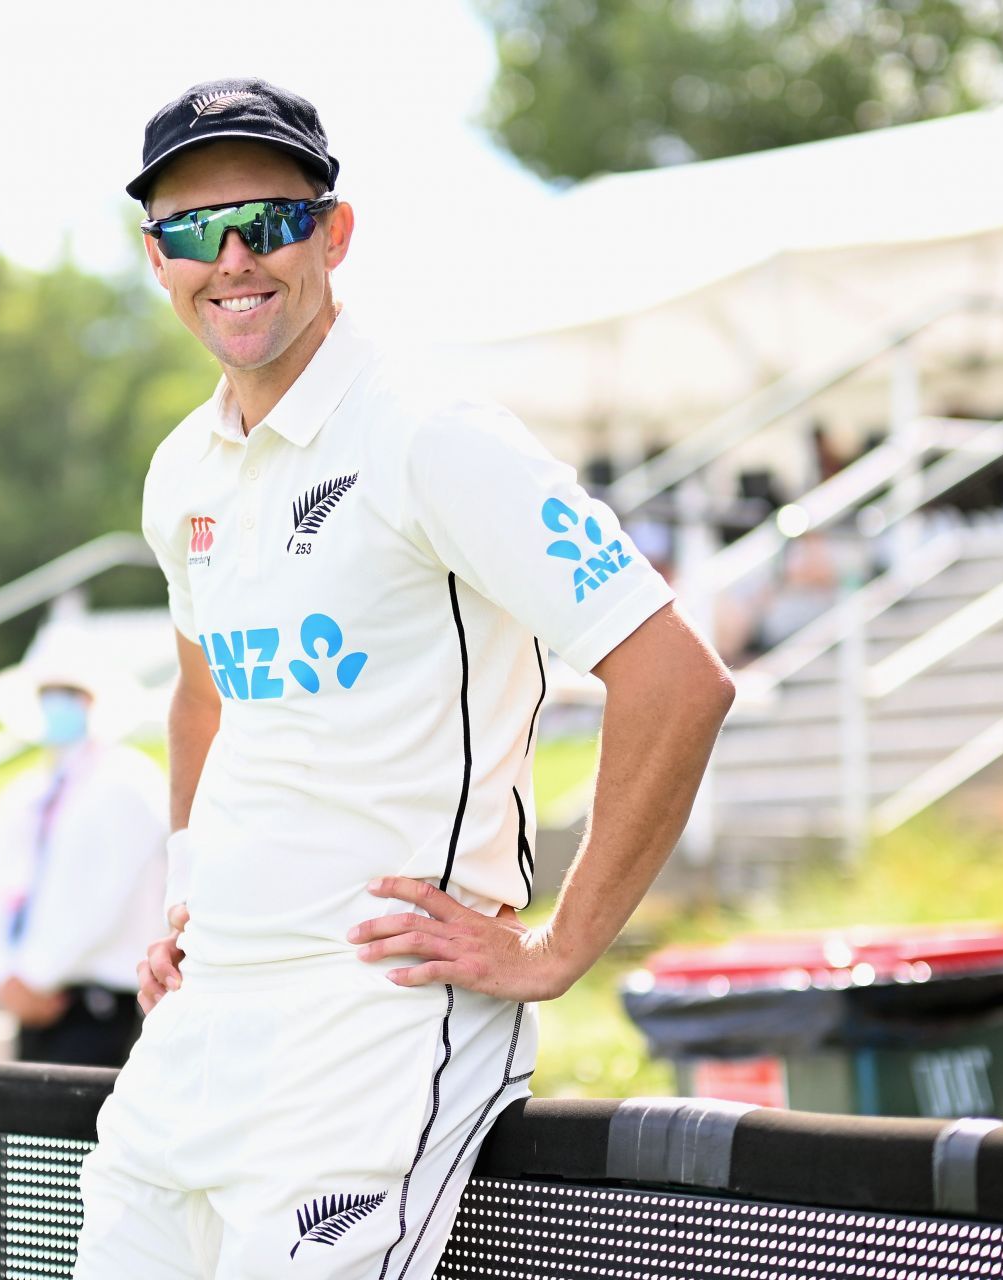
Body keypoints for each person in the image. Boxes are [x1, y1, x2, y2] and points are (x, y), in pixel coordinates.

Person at [72, 79, 735, 1278]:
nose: (231, 258)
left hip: (373, 1025)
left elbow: (677, 677)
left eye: (267, 222)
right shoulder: (183, 469)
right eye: (190, 231)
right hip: (199, 1025)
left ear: (334, 233)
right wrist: (186, 886)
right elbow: (205, 689)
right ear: (156, 260)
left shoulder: (435, 432)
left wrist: (556, 949)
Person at [0, 639, 168, 1067]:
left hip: (102, 1004)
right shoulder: (28, 794)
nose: (56, 706)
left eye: (69, 695)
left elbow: (104, 897)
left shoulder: (128, 782)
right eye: (47, 695)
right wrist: (3, 975)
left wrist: (37, 975)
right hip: (35, 1006)